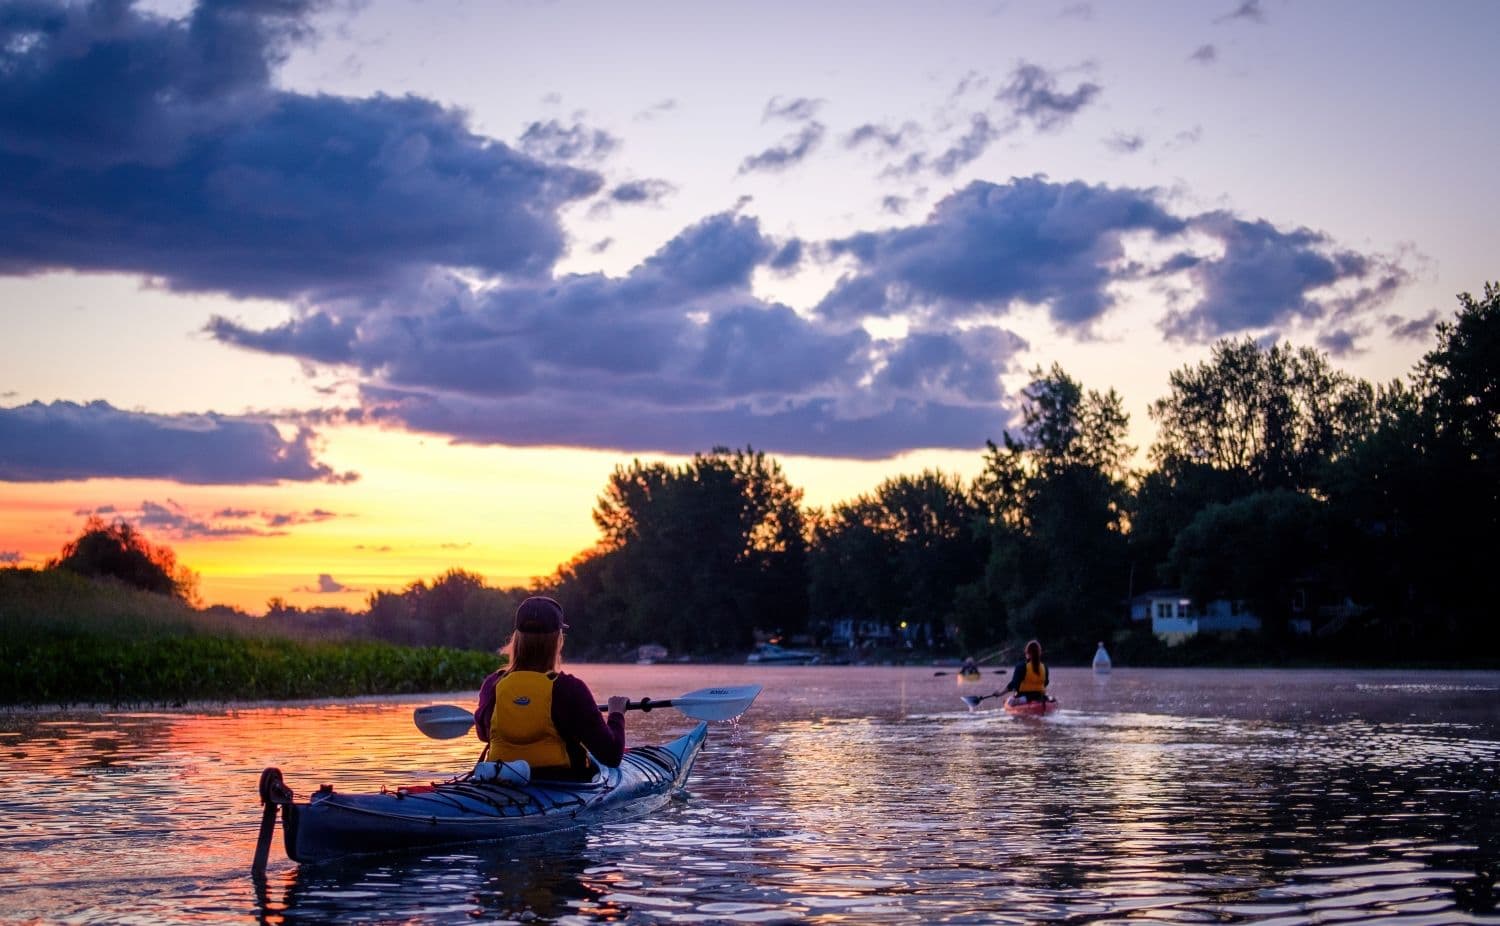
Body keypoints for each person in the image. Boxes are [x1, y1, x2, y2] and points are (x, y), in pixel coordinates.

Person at [473, 596, 629, 781]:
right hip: (562, 785)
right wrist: (616, 715)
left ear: (516, 638)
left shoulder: (492, 685)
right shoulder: (569, 689)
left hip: (501, 784)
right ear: (558, 639)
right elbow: (611, 756)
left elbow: (484, 735)